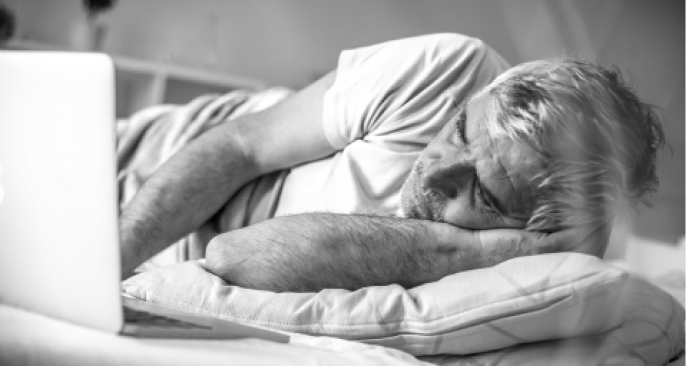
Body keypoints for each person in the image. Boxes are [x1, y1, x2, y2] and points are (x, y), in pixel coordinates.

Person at [119, 34, 664, 292]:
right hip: (143, 156)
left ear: (534, 231)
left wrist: (470, 249)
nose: (436, 170)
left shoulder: (539, 257)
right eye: (458, 131)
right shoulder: (449, 69)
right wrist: (110, 257)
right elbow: (240, 145)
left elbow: (236, 259)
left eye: (482, 193)